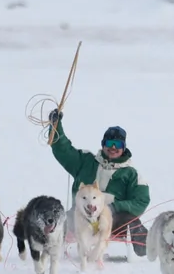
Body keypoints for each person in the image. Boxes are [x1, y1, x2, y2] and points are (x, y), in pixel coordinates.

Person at [46, 109, 149, 256]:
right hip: (80, 217)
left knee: (131, 220)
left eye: (118, 144)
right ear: (103, 144)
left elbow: (141, 201)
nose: (113, 148)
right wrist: (55, 125)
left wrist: (115, 206)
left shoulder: (132, 174)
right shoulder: (86, 161)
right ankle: (49, 249)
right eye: (110, 143)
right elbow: (63, 149)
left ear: (123, 147)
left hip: (113, 220)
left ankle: (145, 251)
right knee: (57, 218)